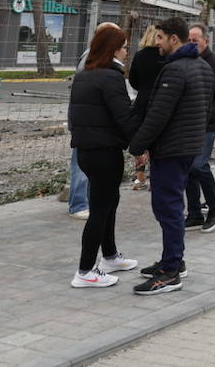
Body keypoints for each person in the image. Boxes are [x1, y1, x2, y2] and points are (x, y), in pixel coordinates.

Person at [128, 17, 214, 295]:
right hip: (188, 146)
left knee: (168, 208)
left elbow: (159, 114)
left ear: (174, 39)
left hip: (172, 148)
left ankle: (170, 272)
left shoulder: (175, 70)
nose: (157, 44)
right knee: (170, 207)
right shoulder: (202, 66)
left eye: (161, 38)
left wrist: (137, 145)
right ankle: (172, 259)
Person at [66, 24, 140, 288]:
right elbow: (125, 118)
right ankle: (85, 270)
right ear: (113, 49)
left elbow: (75, 117)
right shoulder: (111, 78)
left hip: (87, 151)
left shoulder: (85, 74)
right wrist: (141, 147)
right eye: (124, 47)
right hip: (105, 152)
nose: (127, 52)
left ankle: (109, 255)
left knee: (109, 202)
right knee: (100, 209)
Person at [66, 22, 124, 220]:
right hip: (88, 128)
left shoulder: (95, 61)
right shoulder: (92, 62)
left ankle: (86, 202)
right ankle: (78, 204)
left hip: (88, 126)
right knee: (80, 168)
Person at [182, 23, 215, 233]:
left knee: (198, 165)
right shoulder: (185, 62)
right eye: (189, 40)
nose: (192, 44)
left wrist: (209, 115)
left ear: (206, 41)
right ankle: (194, 213)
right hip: (187, 124)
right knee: (187, 169)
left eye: (196, 40)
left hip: (206, 124)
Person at [126, 25, 166, 190]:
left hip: (142, 101)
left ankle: (140, 176)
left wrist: (143, 88)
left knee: (140, 139)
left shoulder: (140, 55)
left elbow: (133, 79)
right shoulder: (166, 56)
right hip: (161, 101)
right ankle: (156, 179)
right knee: (157, 141)